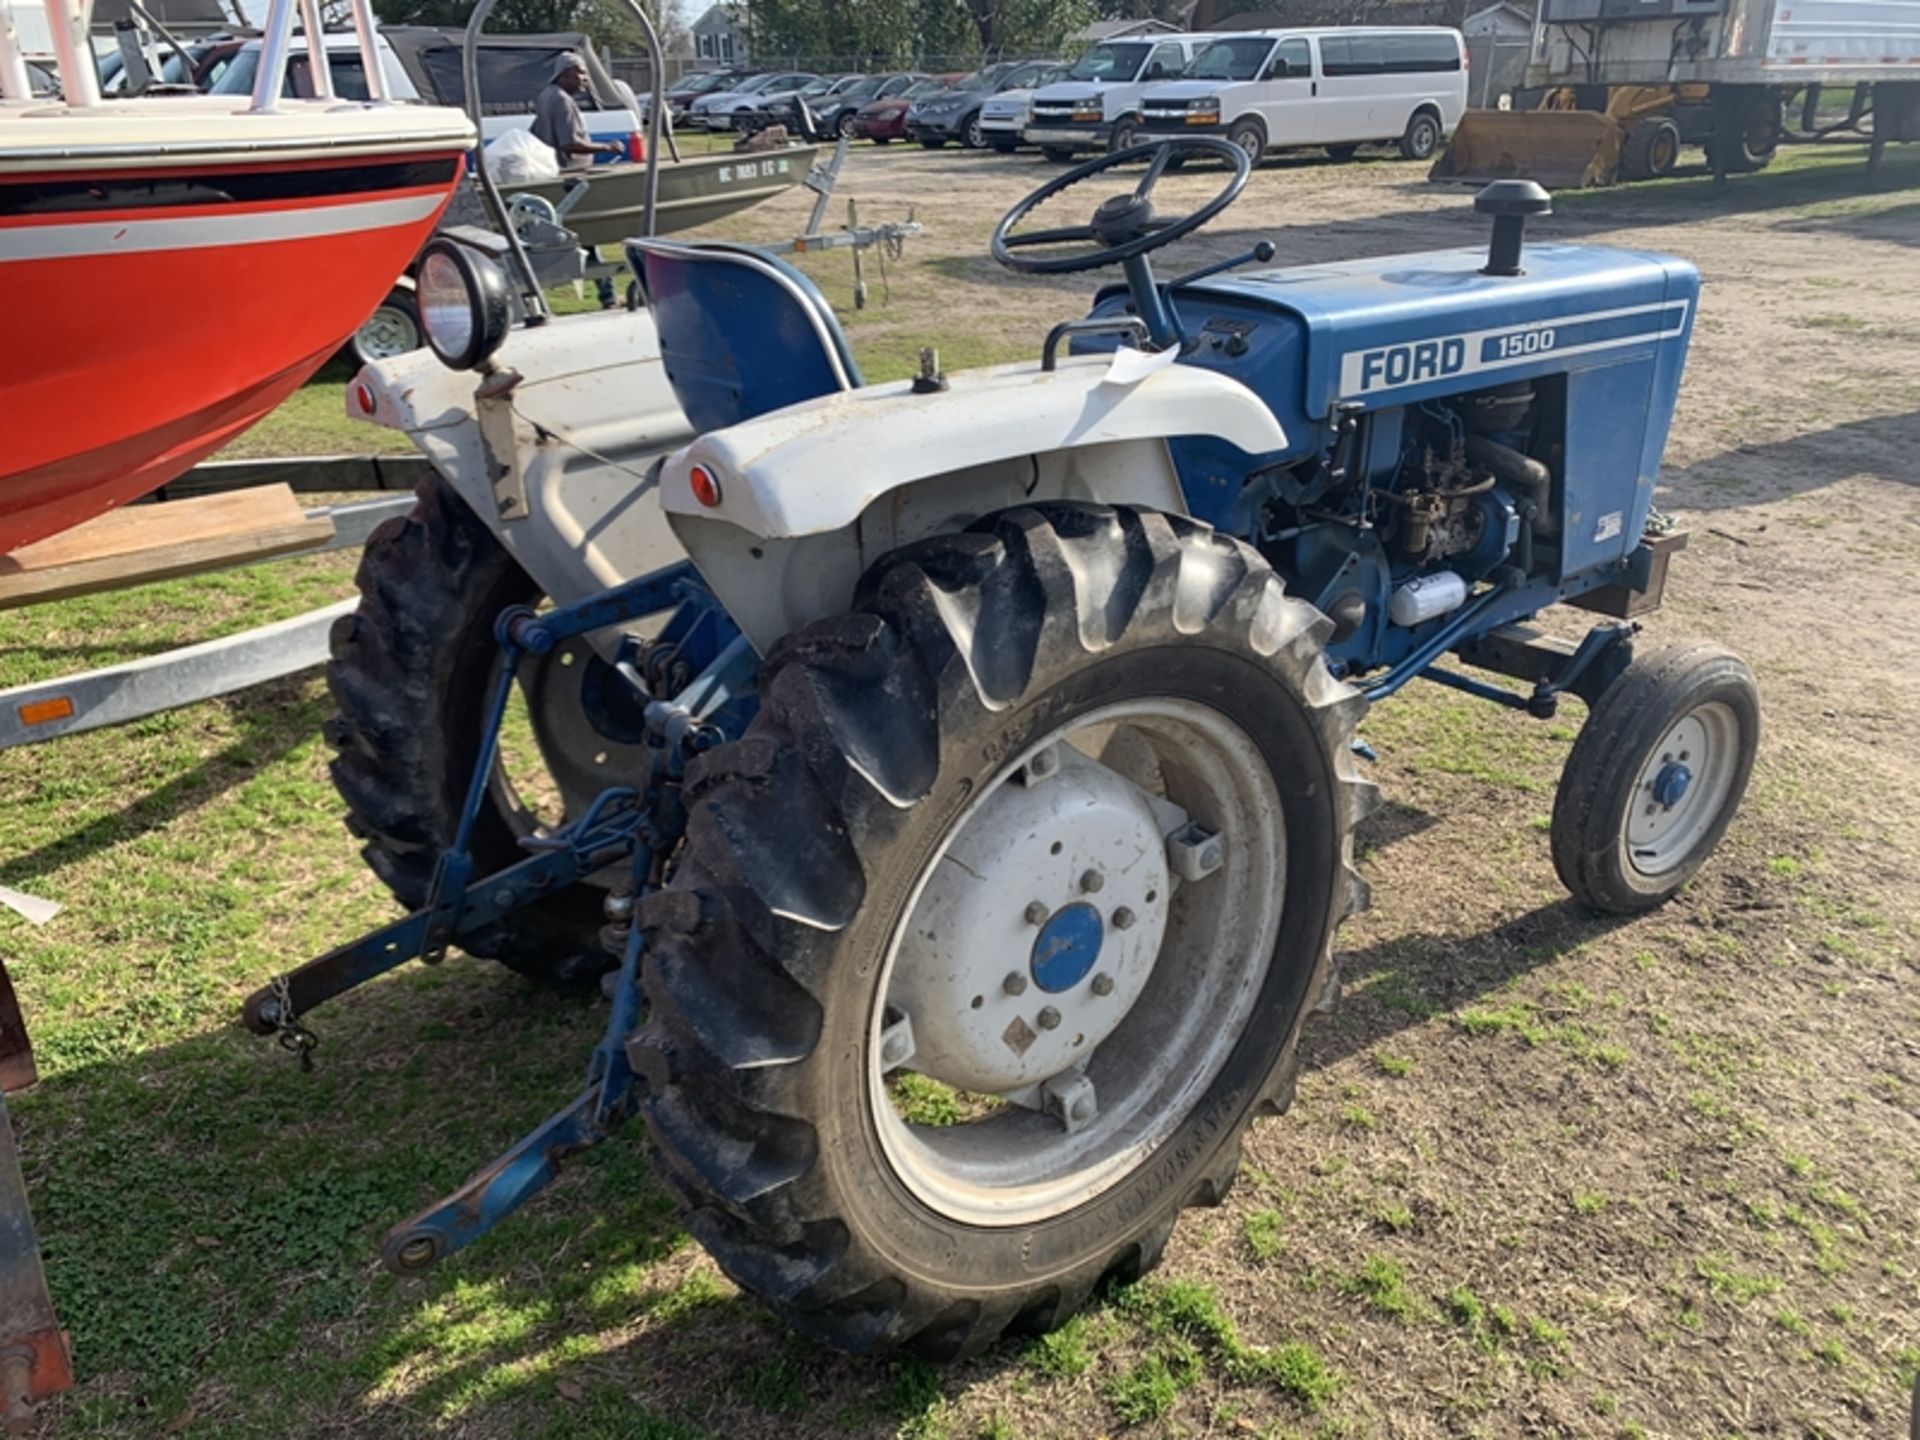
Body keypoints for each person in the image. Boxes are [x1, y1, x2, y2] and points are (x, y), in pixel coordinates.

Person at [532, 52, 623, 306]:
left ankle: (606, 295)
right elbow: (570, 143)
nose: (585, 78)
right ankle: (607, 295)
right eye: (580, 73)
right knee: (587, 238)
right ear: (565, 74)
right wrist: (606, 148)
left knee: (578, 241)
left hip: (556, 175)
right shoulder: (562, 101)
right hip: (570, 179)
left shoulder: (545, 96)